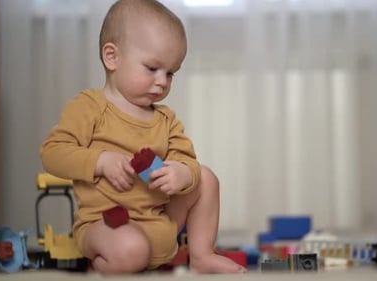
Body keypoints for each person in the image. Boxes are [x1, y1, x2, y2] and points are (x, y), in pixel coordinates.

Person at [40, 0, 246, 275]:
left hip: (159, 223)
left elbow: (187, 160)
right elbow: (52, 153)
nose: (162, 81)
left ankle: (202, 255)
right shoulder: (89, 107)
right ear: (112, 57)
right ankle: (103, 263)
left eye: (170, 73)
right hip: (108, 225)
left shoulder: (166, 119)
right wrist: (100, 161)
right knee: (130, 249)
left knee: (206, 178)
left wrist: (183, 174)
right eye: (152, 68)